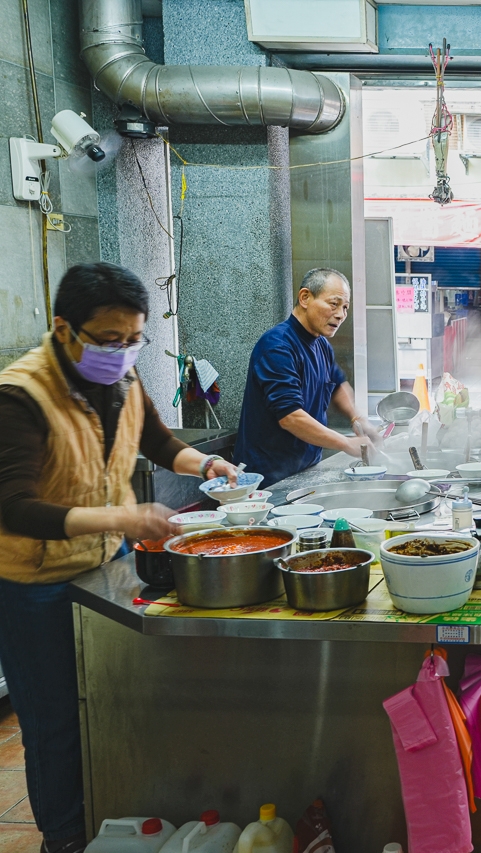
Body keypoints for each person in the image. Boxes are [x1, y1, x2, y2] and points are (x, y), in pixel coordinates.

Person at [0, 263, 241, 853]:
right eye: (111, 340)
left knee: (114, 703)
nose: (124, 352)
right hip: (34, 583)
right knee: (55, 724)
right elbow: (14, 507)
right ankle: (65, 838)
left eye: (135, 339)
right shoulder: (20, 396)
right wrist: (123, 519)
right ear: (64, 330)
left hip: (106, 568)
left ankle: (117, 818)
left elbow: (157, 441)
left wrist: (207, 466)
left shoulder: (122, 379)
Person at [234, 268, 373, 486]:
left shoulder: (322, 346)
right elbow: (290, 417)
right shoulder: (278, 346)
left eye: (345, 307)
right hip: (268, 480)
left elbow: (337, 385)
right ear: (305, 298)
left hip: (303, 472)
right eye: (334, 304)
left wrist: (358, 419)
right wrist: (346, 443)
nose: (340, 314)